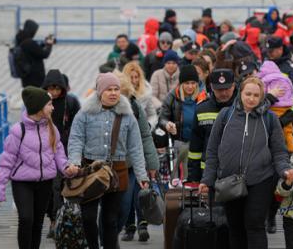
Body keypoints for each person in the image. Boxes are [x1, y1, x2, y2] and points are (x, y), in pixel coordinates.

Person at [199, 77, 293, 249]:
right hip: (229, 181)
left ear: (261, 97)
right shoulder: (225, 115)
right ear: (240, 93)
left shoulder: (270, 119)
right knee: (235, 227)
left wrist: (285, 171)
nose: (251, 98)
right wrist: (207, 180)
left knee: (255, 224)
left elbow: (279, 152)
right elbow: (212, 151)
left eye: (256, 95)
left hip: (260, 180)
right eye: (248, 94)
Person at [67, 72, 149, 249]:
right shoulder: (84, 114)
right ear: (99, 92)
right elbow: (76, 139)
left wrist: (142, 176)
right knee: (88, 217)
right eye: (109, 89)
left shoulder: (128, 116)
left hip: (117, 172)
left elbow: (136, 147)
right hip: (91, 171)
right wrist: (73, 162)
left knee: (110, 219)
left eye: (116, 89)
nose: (113, 93)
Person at [0, 86, 79, 249]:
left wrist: (66, 167)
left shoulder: (52, 129)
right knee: (26, 219)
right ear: (39, 108)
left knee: (38, 223)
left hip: (45, 182)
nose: (53, 108)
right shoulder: (18, 131)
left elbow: (59, 153)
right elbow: (6, 160)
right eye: (49, 105)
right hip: (22, 183)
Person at [114, 70, 160, 243]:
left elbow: (145, 135)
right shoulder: (101, 109)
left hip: (133, 162)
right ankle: (124, 228)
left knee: (134, 197)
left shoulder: (134, 106)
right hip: (110, 165)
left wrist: (152, 163)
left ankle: (140, 224)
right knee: (119, 204)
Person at [40, 70, 81, 238]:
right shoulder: (42, 103)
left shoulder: (70, 102)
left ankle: (56, 220)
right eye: (51, 88)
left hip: (64, 149)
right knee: (48, 188)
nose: (54, 92)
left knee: (58, 186)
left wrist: (66, 136)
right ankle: (52, 217)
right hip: (45, 151)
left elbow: (78, 123)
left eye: (57, 89)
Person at [187, 69, 237, 182]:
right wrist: (193, 178)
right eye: (219, 90)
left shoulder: (243, 108)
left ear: (233, 86)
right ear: (212, 87)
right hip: (209, 174)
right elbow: (195, 148)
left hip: (237, 174)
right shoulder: (201, 109)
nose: (223, 93)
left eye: (227, 89)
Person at [159, 65, 207, 180]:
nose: (190, 86)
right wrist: (167, 124)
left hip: (200, 143)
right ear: (181, 84)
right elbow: (162, 118)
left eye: (193, 83)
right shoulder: (172, 96)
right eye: (186, 83)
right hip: (179, 142)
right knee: (179, 177)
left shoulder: (204, 96)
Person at [264, 36, 293, 152]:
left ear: (280, 49)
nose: (269, 54)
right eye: (268, 51)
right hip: (268, 112)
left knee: (287, 148)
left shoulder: (290, 67)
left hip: (287, 114)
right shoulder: (266, 64)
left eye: (272, 51)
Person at [258, 61, 293, 154]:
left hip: (273, 107)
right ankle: (291, 146)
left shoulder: (264, 80)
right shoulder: (285, 78)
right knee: (288, 130)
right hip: (288, 107)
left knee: (274, 133)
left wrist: (269, 97)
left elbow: (261, 97)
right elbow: (292, 91)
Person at [14, 19, 54, 88]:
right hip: (35, 78)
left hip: (26, 77)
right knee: (37, 97)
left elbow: (34, 50)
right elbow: (44, 54)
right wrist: (49, 44)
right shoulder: (29, 42)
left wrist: (44, 44)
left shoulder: (21, 39)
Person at [123, 61, 160, 129]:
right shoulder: (120, 93)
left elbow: (152, 115)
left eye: (136, 77)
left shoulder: (146, 92)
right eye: (131, 77)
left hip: (140, 129)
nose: (134, 81)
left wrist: (148, 125)